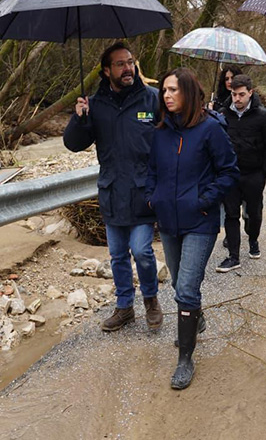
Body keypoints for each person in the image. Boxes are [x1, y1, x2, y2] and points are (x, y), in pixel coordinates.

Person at [145, 67, 239, 390]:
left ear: (187, 92)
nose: (167, 95)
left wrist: (204, 200)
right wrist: (153, 197)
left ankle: (185, 359)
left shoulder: (211, 129)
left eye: (173, 90)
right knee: (177, 281)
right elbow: (151, 170)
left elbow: (229, 172)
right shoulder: (160, 131)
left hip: (200, 220)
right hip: (168, 222)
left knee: (186, 288)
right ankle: (195, 317)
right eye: (164, 90)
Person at [63, 42, 163, 333]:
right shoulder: (95, 105)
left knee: (141, 251)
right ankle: (124, 307)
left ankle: (151, 300)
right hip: (112, 191)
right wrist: (80, 118)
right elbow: (74, 144)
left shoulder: (152, 99)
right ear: (106, 71)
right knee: (118, 255)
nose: (128, 68)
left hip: (143, 192)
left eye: (130, 62)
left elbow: (171, 138)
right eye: (120, 64)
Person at [215, 74, 266, 272]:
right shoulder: (223, 114)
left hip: (254, 174)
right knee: (231, 214)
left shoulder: (263, 116)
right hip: (230, 174)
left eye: (241, 94)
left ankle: (253, 239)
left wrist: (265, 173)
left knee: (253, 213)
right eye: (234, 94)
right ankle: (233, 256)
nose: (237, 99)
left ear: (250, 93)